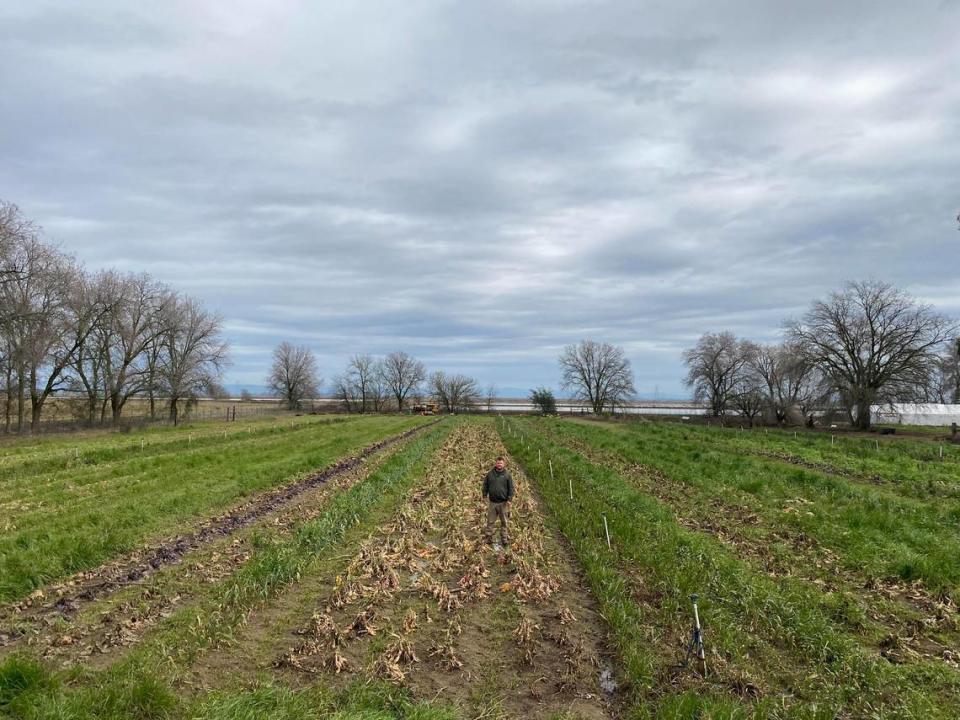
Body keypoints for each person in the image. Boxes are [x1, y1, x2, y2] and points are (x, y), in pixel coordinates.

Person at [482, 455, 515, 550]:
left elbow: (511, 489)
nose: (499, 464)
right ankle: (488, 538)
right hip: (492, 502)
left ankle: (504, 539)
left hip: (503, 503)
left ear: (504, 464)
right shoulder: (490, 474)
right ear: (495, 463)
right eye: (497, 462)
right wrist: (484, 495)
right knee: (490, 521)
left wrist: (509, 499)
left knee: (504, 522)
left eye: (501, 463)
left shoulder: (507, 475)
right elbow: (485, 485)